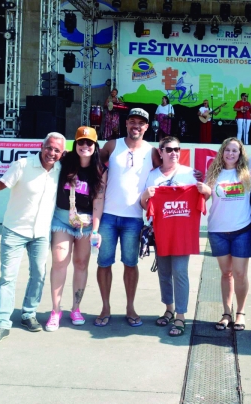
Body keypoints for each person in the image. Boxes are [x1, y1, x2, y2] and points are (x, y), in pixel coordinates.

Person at [0, 133, 66, 345]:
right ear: (42, 146)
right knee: (8, 277)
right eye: (49, 148)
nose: (51, 153)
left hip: (41, 233)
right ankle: (2, 323)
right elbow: (2, 184)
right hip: (14, 230)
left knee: (39, 274)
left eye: (57, 151)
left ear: (61, 154)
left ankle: (28, 314)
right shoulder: (22, 165)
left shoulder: (60, 169)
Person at [200, 107, 251, 332]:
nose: (231, 154)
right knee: (226, 274)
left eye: (235, 151)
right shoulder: (213, 172)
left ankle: (240, 312)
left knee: (240, 274)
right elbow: (207, 194)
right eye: (227, 150)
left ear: (240, 154)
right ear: (222, 152)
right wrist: (202, 189)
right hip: (218, 230)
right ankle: (226, 313)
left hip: (242, 231)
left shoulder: (247, 170)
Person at [95, 108, 162, 327]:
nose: (136, 126)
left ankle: (130, 307)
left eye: (140, 123)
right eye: (132, 121)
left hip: (134, 219)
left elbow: (167, 172)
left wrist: (189, 176)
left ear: (146, 126)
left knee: (130, 264)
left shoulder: (152, 151)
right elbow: (92, 164)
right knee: (104, 263)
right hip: (107, 217)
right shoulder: (112, 146)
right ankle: (105, 307)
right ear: (126, 124)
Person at [141, 137, 210, 337]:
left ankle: (180, 315)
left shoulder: (190, 174)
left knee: (179, 272)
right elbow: (145, 205)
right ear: (160, 152)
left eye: (177, 149)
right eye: (169, 149)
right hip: (161, 231)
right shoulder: (152, 176)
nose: (174, 153)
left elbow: (205, 197)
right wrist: (146, 195)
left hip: (182, 233)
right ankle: (169, 309)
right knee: (163, 272)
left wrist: (205, 190)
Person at [46, 127, 107, 332]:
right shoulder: (64, 163)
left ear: (95, 146)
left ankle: (76, 308)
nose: (85, 146)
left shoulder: (100, 170)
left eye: (89, 143)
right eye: (81, 142)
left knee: (81, 264)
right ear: (75, 144)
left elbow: (98, 202)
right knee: (59, 261)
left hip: (87, 224)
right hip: (62, 220)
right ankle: (55, 311)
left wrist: (96, 230)